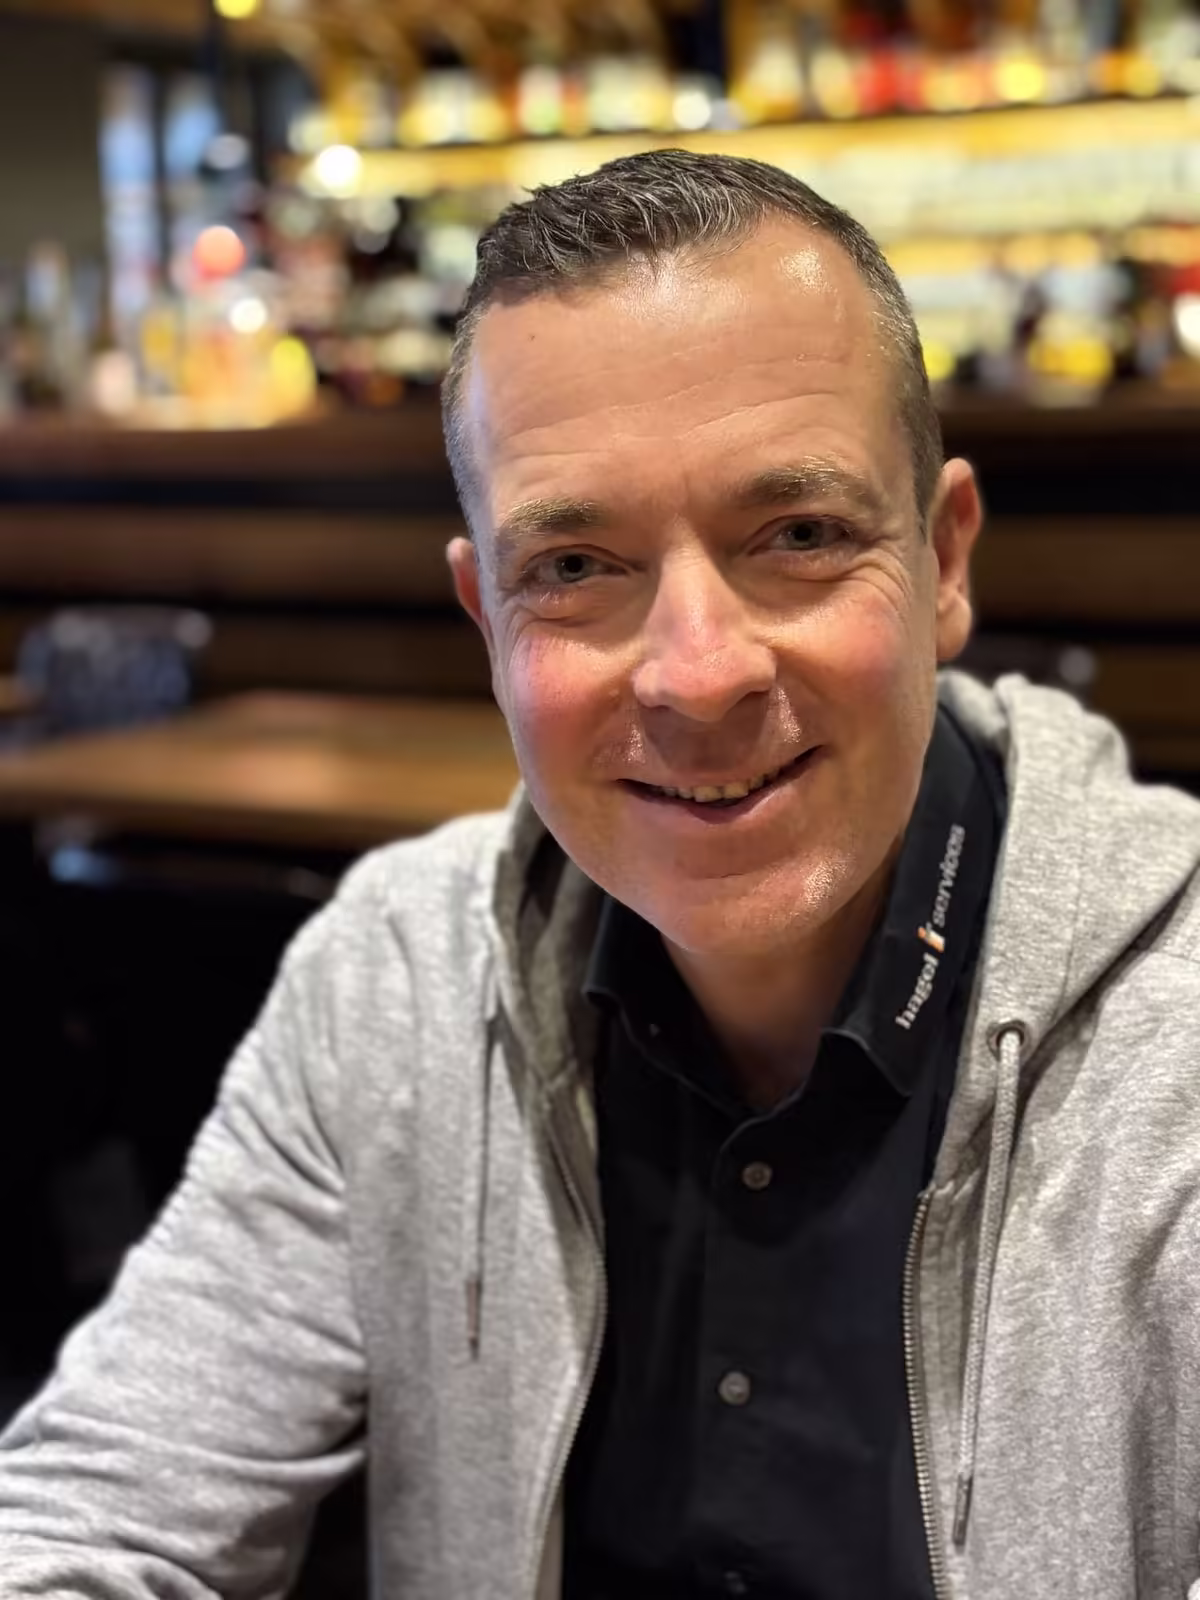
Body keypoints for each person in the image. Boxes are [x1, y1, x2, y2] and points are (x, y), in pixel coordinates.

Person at [2, 149, 1200, 1600]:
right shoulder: (391, 981)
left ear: (944, 563)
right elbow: (102, 1510)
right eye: (573, 567)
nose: (697, 674)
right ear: (487, 618)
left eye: (800, 536)